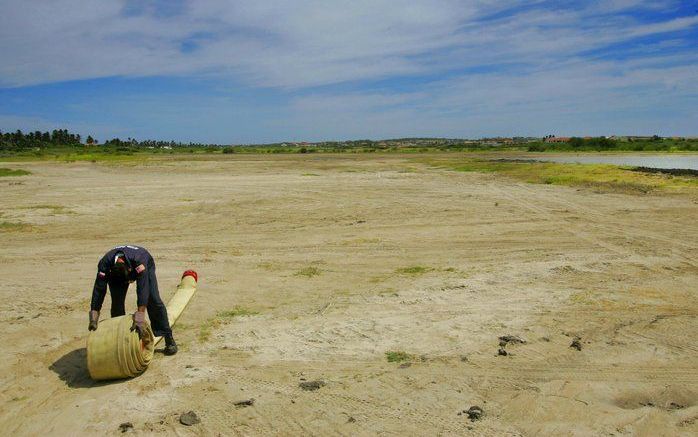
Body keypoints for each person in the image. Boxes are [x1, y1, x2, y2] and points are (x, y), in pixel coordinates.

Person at [88, 245, 177, 355]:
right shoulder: (104, 265)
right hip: (117, 275)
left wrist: (139, 317)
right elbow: (99, 289)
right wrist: (94, 316)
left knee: (153, 299)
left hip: (146, 264)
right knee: (117, 304)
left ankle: (169, 339)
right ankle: (121, 341)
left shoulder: (139, 261)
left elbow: (143, 290)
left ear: (129, 269)